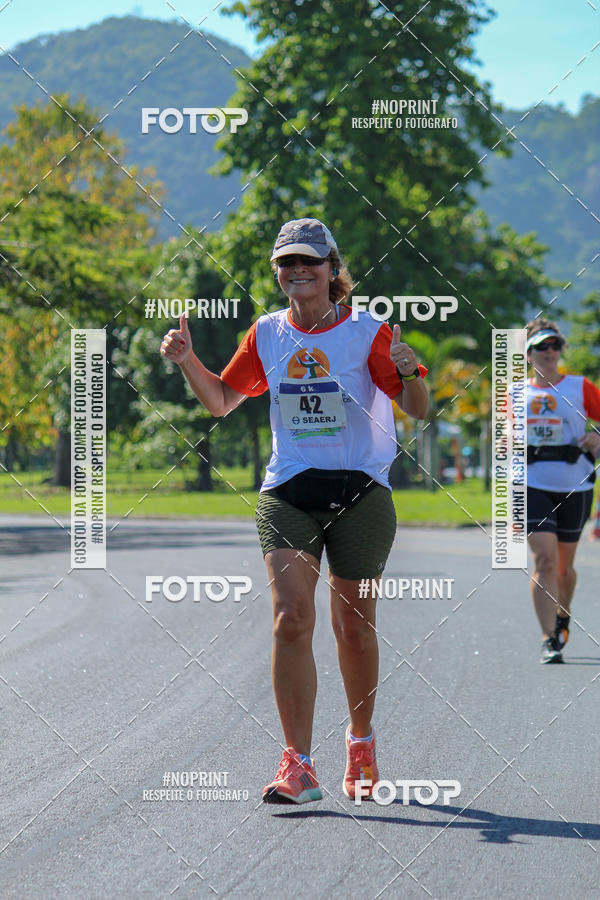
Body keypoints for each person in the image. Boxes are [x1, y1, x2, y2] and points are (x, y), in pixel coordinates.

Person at [160, 217, 428, 802]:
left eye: (309, 260)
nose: (297, 270)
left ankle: (360, 743)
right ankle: (298, 764)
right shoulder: (267, 334)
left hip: (361, 493)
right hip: (288, 493)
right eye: (287, 262)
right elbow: (221, 401)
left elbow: (418, 408)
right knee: (291, 618)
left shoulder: (369, 332)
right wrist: (186, 361)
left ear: (334, 270)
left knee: (353, 627)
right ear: (278, 273)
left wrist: (408, 370)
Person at [524, 318, 600, 663]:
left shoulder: (581, 387)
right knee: (545, 558)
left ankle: (562, 615)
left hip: (575, 485)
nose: (550, 351)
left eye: (555, 345)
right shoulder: (514, 395)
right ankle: (548, 638)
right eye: (542, 346)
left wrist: (596, 437)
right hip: (531, 485)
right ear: (528, 353)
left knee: (564, 569)